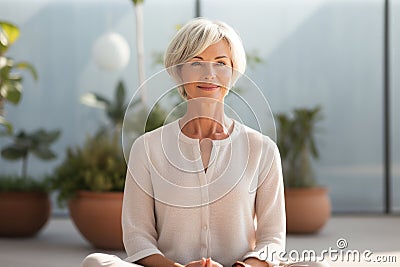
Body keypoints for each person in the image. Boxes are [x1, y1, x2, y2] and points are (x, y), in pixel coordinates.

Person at [81, 18, 329, 267]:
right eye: (196, 63)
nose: (209, 74)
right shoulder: (147, 148)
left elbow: (272, 239)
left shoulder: (262, 149)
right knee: (96, 263)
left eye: (220, 63)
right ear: (179, 71)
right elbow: (138, 237)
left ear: (233, 73)